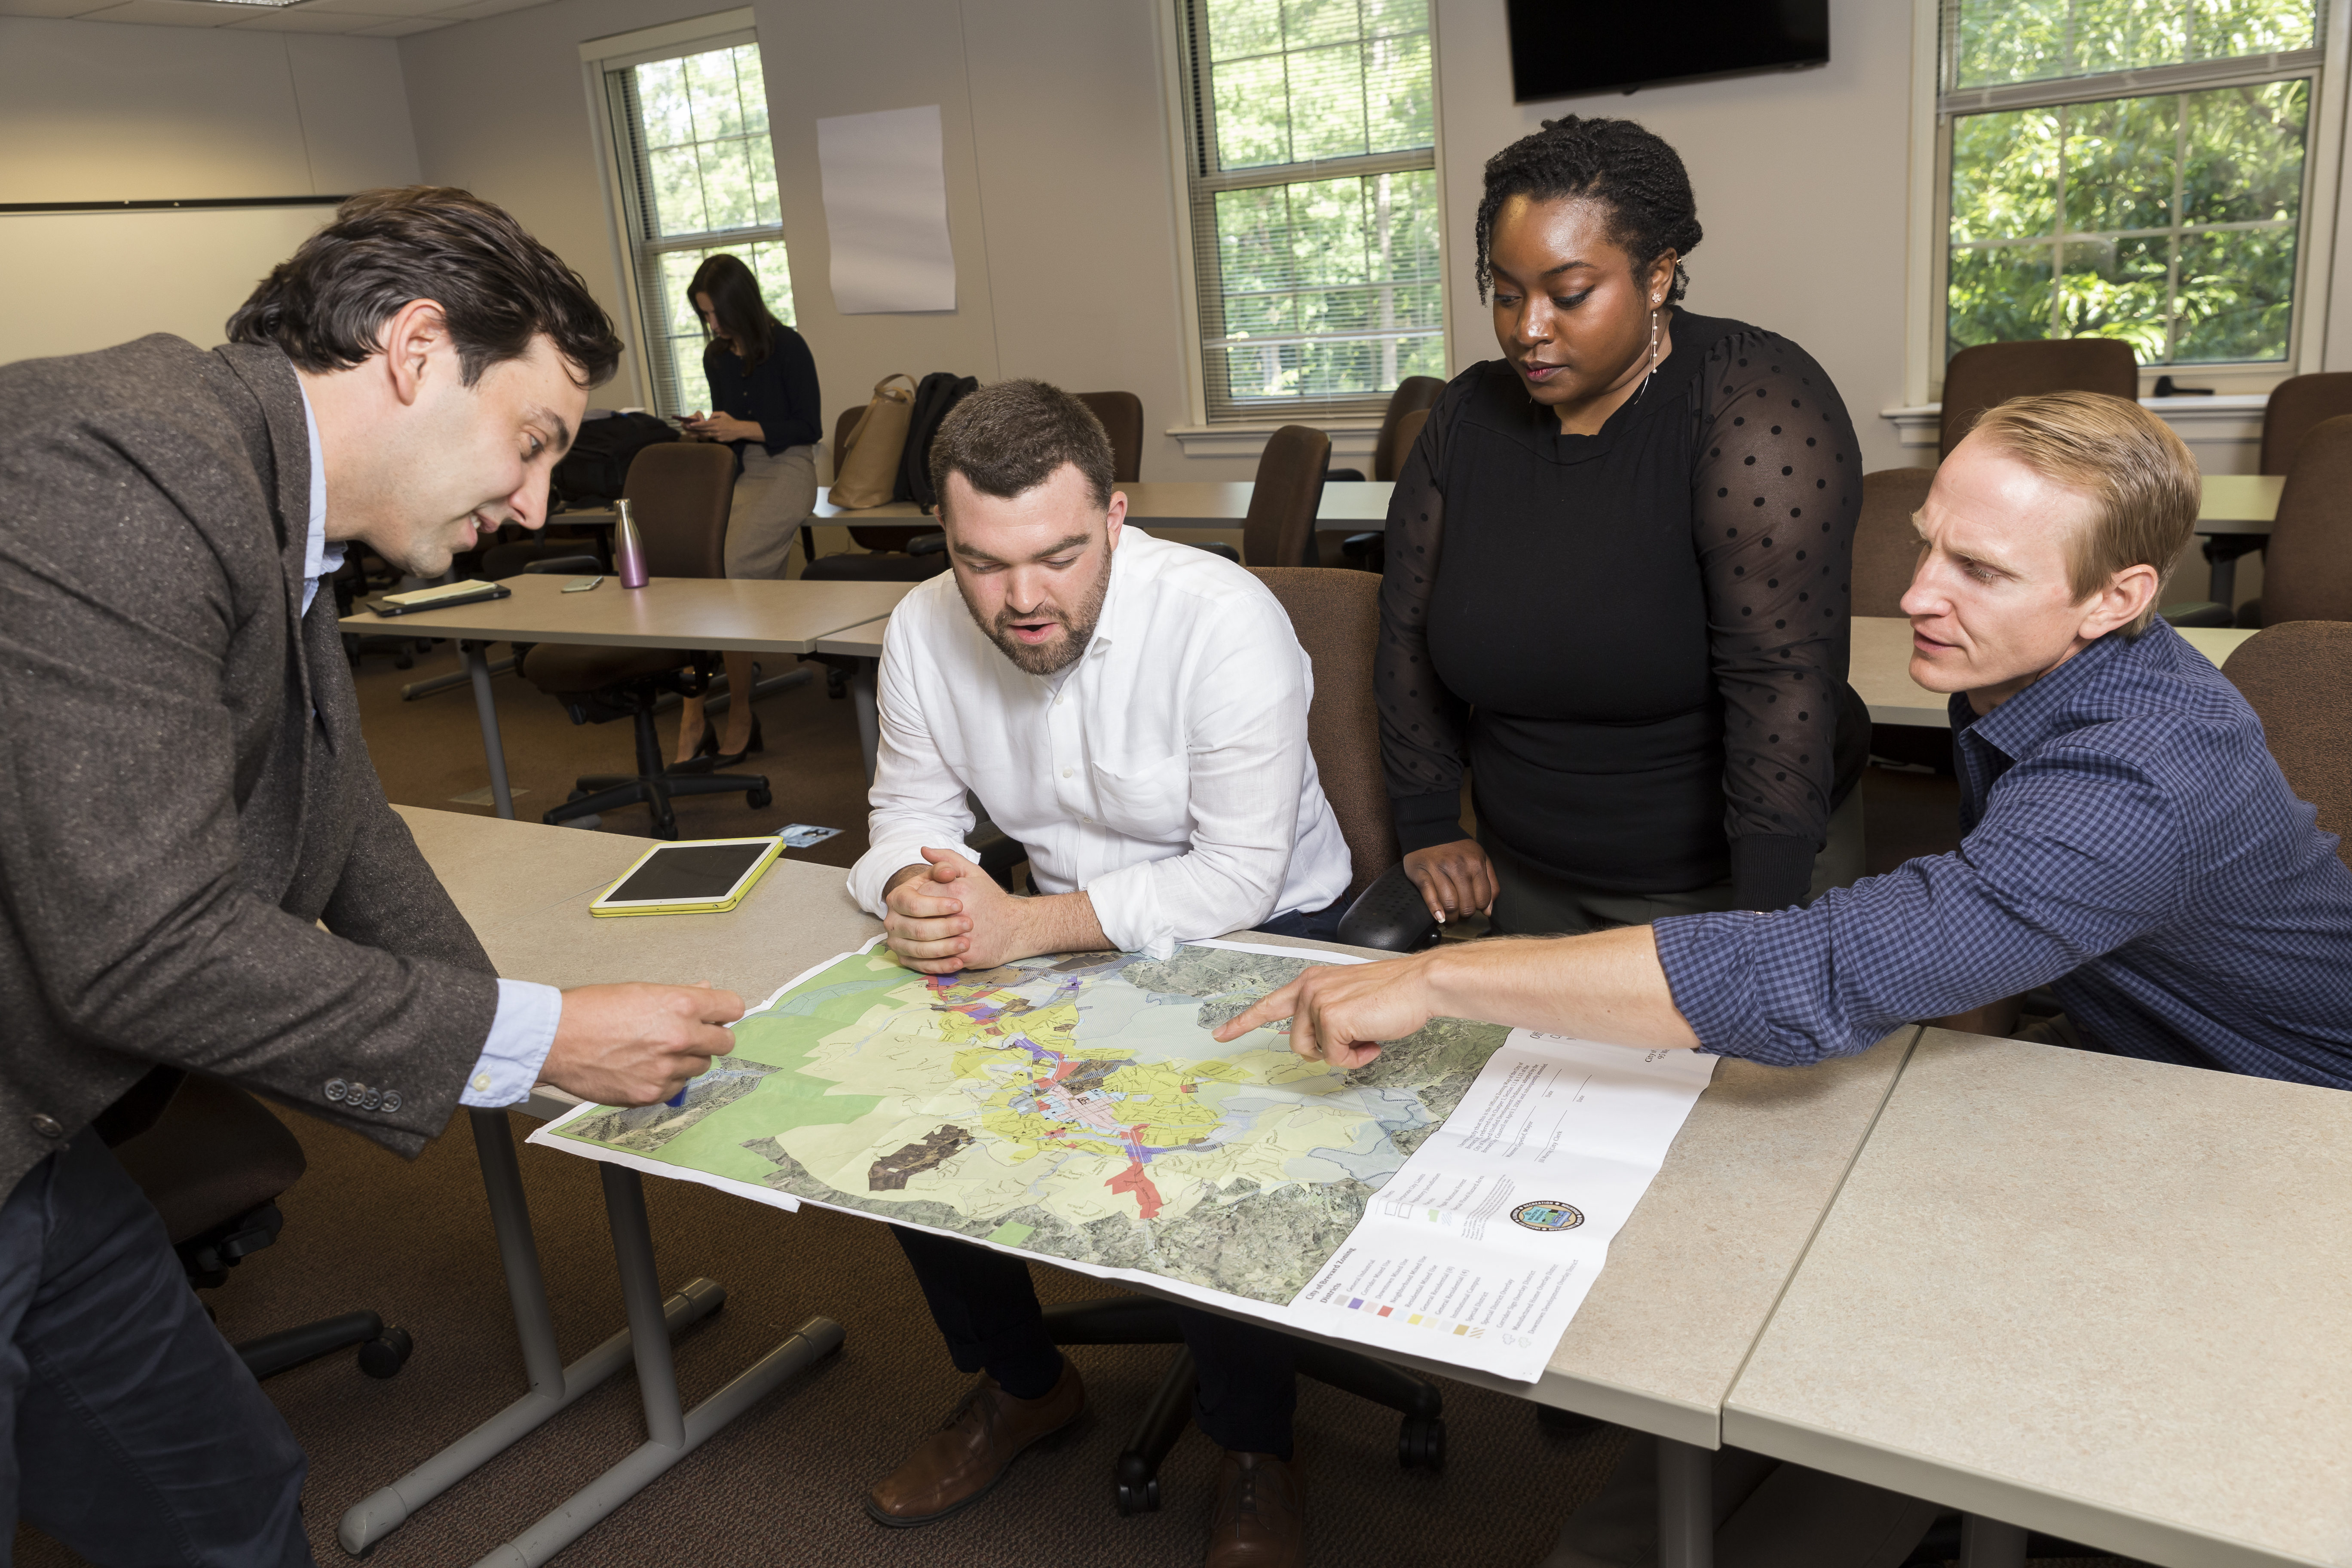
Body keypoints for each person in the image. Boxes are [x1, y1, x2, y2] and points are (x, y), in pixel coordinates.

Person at [1220, 391, 2352, 1568]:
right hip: (2136, 1063)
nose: (1917, 593)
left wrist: (1447, 984)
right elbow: (1973, 919)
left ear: (2118, 597)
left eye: (1979, 568)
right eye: (1926, 544)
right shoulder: (2042, 668)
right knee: (1805, 1215)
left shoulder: (2135, 786)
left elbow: (1820, 970)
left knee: (1885, 1311)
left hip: (2291, 1131)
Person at [0, 187, 746, 1565]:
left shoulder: (267, 496)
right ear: (414, 348)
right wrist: (537, 1041)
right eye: (531, 445)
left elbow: (343, 814)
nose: (533, 506)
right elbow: (145, 946)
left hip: (36, 1142)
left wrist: (534, 1039)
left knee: (219, 1491)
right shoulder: (120, 472)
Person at [845, 378, 1354, 1568]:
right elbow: (902, 816)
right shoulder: (924, 625)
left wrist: (1019, 928)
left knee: (1211, 1143)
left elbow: (1233, 877)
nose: (1023, 599)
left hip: (1267, 926)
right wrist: (911, 889)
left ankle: (1252, 1449)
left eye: (1061, 556)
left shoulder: (1223, 619)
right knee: (914, 1100)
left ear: (1116, 518)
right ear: (946, 540)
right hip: (1055, 927)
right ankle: (1024, 1385)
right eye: (983, 563)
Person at [1380, 116, 1870, 941]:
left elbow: (1781, 682)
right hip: (1520, 870)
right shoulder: (1465, 416)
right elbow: (1405, 636)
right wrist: (1429, 821)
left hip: (1731, 878)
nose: (1528, 327)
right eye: (1504, 293)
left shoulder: (1755, 403)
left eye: (1568, 295)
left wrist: (1762, 923)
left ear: (1656, 277)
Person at [672, 251, 823, 766]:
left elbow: (809, 427)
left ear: (741, 304)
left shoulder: (789, 347)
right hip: (736, 470)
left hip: (787, 468)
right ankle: (694, 715)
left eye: (716, 314)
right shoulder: (717, 356)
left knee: (731, 574)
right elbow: (729, 431)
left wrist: (737, 427)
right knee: (700, 572)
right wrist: (709, 428)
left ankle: (737, 712)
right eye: (704, 316)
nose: (711, 325)